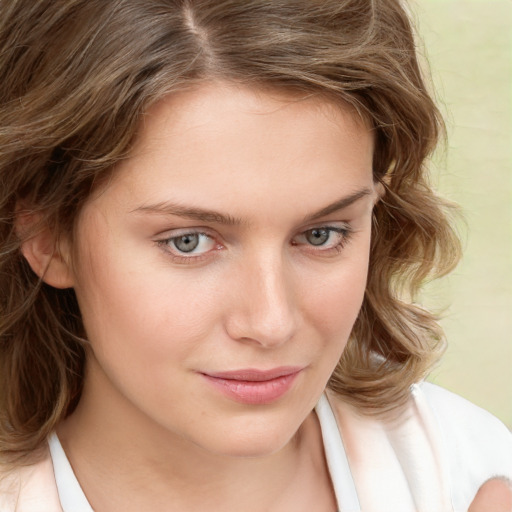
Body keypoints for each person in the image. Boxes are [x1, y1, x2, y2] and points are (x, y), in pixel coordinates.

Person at [0, 0, 510, 510]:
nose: (271, 323)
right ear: (48, 236)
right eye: (189, 242)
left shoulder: (469, 472)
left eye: (321, 235)